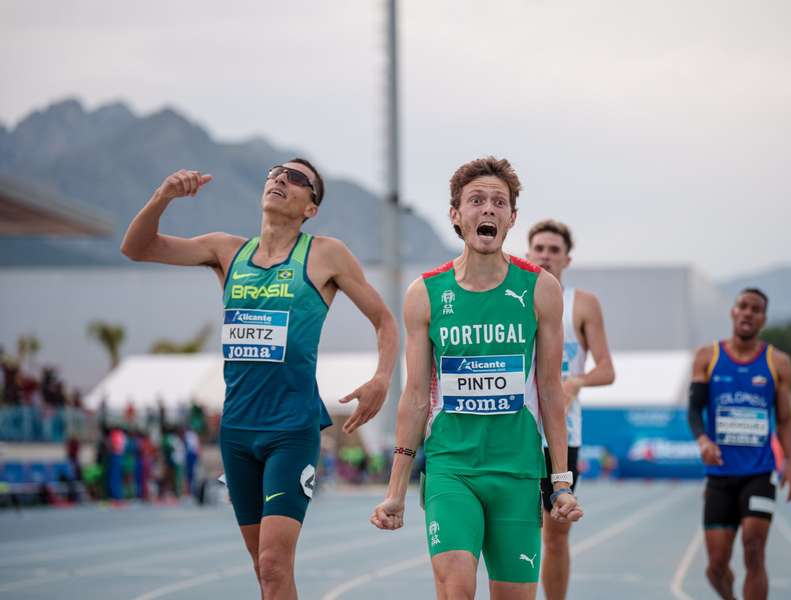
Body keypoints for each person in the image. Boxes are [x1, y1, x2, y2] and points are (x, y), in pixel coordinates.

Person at [121, 160, 398, 599]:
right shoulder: (226, 250)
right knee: (265, 569)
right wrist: (163, 197)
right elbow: (137, 248)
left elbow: (385, 320)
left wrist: (381, 378)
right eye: (274, 172)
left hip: (291, 429)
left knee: (272, 563)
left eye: (296, 178)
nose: (279, 180)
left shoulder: (325, 253)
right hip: (237, 431)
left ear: (311, 208)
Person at [370, 157, 583, 600]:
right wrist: (396, 491)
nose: (488, 209)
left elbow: (549, 391)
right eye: (476, 201)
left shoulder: (541, 290)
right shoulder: (425, 294)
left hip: (518, 472)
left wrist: (559, 482)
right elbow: (413, 396)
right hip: (452, 470)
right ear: (456, 214)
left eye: (498, 202)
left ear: (511, 219)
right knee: (456, 587)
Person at [687, 288, 791, 600]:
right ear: (733, 312)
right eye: (743, 306)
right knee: (716, 566)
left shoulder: (778, 362)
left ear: (763, 318)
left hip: (759, 473)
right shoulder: (707, 357)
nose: (748, 312)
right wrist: (703, 440)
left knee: (754, 549)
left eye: (756, 309)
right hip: (720, 476)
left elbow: (787, 419)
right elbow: (694, 410)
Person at [525, 219, 615, 600]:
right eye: (539, 249)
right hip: (517, 429)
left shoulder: (582, 304)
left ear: (567, 258)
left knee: (556, 532)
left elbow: (606, 369)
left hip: (562, 434)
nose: (545, 256)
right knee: (511, 529)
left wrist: (576, 382)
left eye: (554, 250)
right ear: (527, 254)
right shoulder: (513, 295)